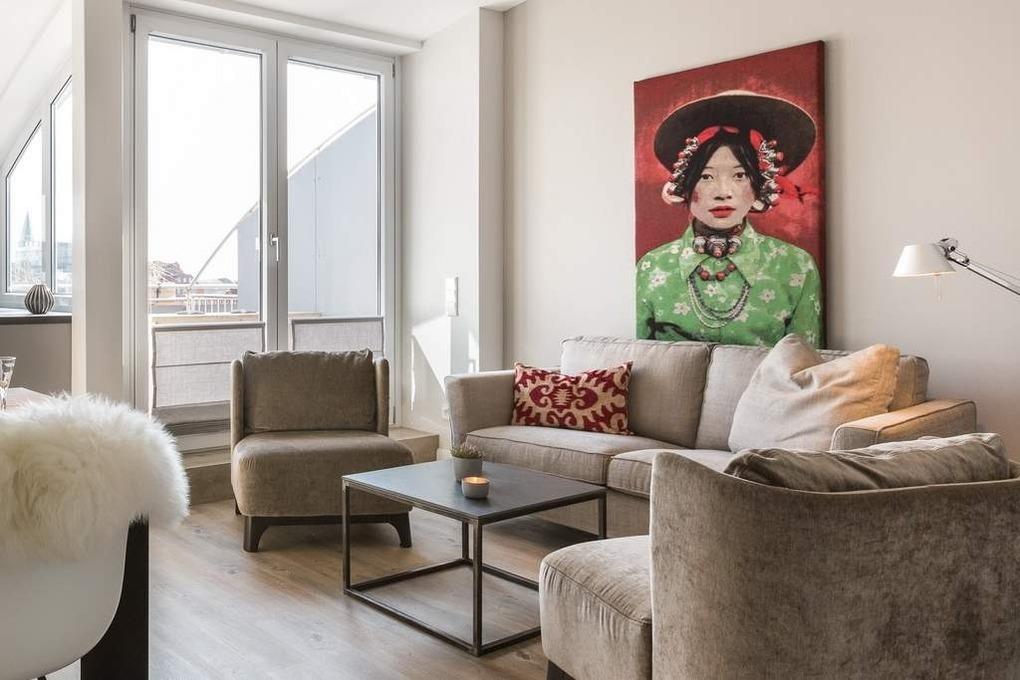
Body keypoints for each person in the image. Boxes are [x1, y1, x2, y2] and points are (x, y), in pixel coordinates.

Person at [636, 91, 823, 347]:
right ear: (684, 188)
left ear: (759, 188)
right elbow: (638, 359)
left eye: (739, 176)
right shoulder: (652, 266)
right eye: (706, 176)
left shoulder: (796, 266)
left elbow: (805, 363)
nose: (723, 192)